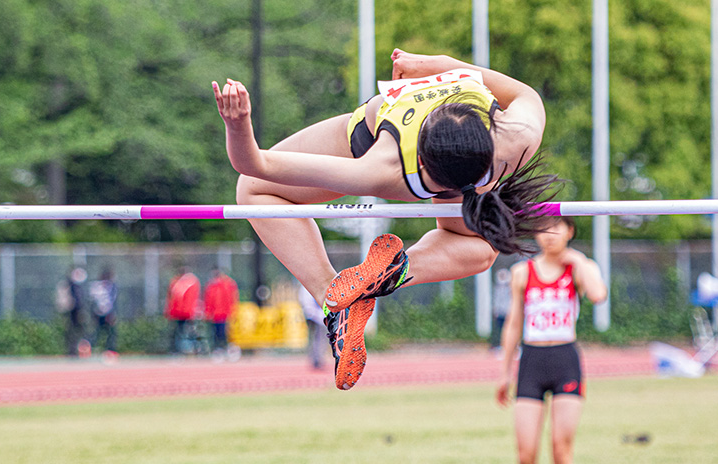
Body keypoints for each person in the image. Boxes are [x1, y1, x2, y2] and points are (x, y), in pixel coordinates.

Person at [212, 48, 557, 389]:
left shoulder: (511, 137)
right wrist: (439, 66)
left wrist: (444, 66)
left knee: (253, 192)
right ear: (422, 162)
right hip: (388, 137)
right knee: (479, 250)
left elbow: (253, 168)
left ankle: (344, 294)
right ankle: (364, 285)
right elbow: (526, 93)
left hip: (424, 164)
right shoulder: (383, 165)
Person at [496, 216, 607, 464]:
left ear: (569, 231)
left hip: (565, 360)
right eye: (542, 228)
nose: (549, 234)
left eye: (556, 227)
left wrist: (577, 259)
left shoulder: (579, 268)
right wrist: (504, 372)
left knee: (561, 450)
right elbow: (514, 324)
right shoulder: (522, 272)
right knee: (525, 454)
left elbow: (598, 295)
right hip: (532, 361)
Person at [164, 266, 202, 354]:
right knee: (179, 332)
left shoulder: (191, 282)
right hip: (179, 313)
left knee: (191, 332)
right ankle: (177, 350)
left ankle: (196, 349)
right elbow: (171, 298)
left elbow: (193, 298)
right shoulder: (175, 282)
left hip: (188, 312)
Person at [203, 266, 239, 355]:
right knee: (216, 332)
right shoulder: (211, 285)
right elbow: (208, 300)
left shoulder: (227, 284)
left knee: (224, 332)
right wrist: (208, 312)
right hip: (215, 314)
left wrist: (232, 311)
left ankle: (225, 348)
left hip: (224, 313)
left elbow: (231, 298)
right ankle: (218, 348)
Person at [298, 283, 329, 370]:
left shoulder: (305, 287)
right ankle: (317, 359)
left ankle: (316, 358)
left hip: (314, 315)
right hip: (315, 316)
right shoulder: (310, 287)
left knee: (315, 337)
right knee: (319, 337)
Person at [88, 266, 118, 356]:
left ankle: (110, 350)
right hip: (98, 313)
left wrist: (112, 314)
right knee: (96, 332)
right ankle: (90, 349)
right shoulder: (96, 286)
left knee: (111, 333)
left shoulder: (112, 286)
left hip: (109, 313)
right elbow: (92, 300)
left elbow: (113, 301)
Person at [491, 267, 512, 349]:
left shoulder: (510, 286)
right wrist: (496, 310)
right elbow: (496, 300)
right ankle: (503, 345)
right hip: (500, 312)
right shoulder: (497, 287)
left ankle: (513, 346)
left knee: (509, 328)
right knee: (502, 329)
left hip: (508, 311)